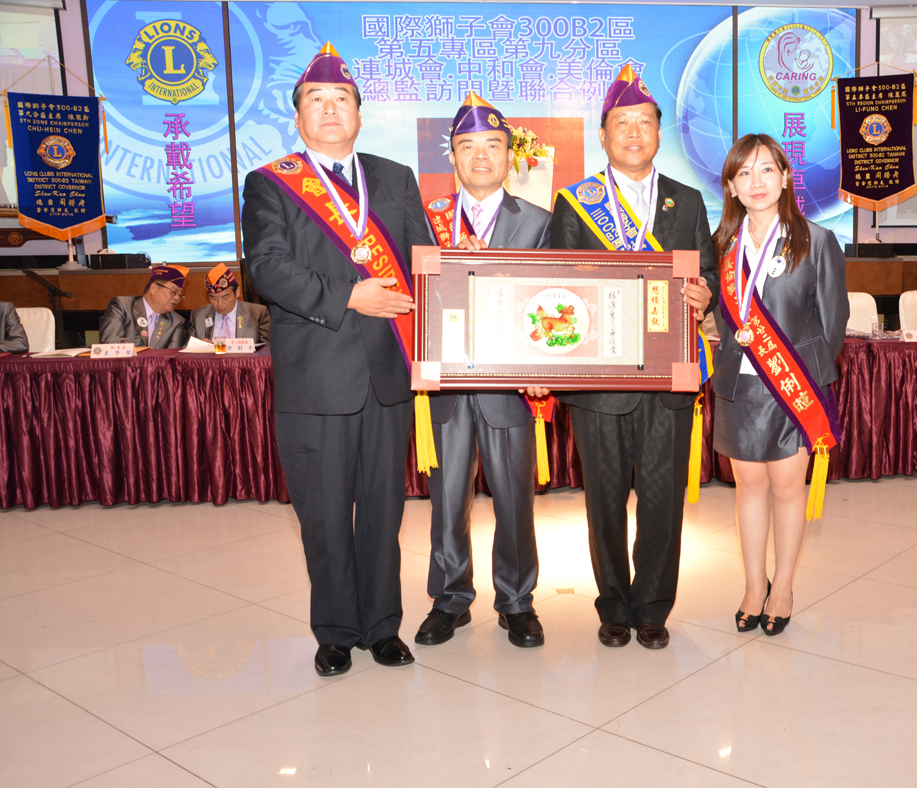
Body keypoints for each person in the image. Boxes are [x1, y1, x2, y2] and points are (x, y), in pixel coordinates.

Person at [241, 43, 433, 677]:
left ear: (359, 114)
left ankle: (382, 627)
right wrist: (350, 295)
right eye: (316, 100)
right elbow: (267, 268)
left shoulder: (395, 177)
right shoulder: (271, 183)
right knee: (323, 516)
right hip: (316, 377)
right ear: (298, 116)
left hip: (387, 375)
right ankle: (335, 631)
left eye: (341, 99)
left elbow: (427, 265)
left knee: (383, 511)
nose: (329, 109)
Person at [551, 65, 717, 650]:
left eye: (644, 122)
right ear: (603, 135)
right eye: (621, 123)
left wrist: (705, 294)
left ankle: (652, 606)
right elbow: (558, 284)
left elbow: (709, 271)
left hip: (669, 377)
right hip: (600, 381)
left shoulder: (687, 201)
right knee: (603, 499)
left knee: (662, 499)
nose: (633, 132)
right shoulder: (575, 204)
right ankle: (614, 605)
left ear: (658, 132)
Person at [415, 93, 552, 650]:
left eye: (492, 145)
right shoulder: (426, 219)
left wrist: (545, 367)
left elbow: (553, 301)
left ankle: (517, 601)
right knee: (447, 500)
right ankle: (450, 599)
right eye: (466, 146)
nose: (479, 156)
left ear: (509, 155)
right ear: (451, 156)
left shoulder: (540, 221)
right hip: (446, 386)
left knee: (514, 500)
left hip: (511, 387)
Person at [710, 134, 847, 636]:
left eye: (767, 169)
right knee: (748, 489)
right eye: (744, 173)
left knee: (789, 491)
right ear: (731, 187)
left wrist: (802, 374)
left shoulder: (816, 240)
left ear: (785, 177)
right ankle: (754, 587)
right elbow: (720, 316)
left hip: (793, 387)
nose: (757, 181)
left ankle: (783, 587)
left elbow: (833, 323)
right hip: (740, 387)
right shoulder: (722, 245)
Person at [98, 265, 189, 347]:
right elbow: (111, 347)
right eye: (173, 292)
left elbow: (172, 356)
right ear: (153, 288)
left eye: (180, 295)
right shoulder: (122, 307)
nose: (177, 298)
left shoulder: (176, 322)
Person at [188, 264, 271, 344]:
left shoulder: (257, 314)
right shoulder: (197, 317)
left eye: (225, 297)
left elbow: (268, 348)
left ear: (237, 292)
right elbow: (185, 350)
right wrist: (197, 347)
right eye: (213, 298)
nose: (220, 304)